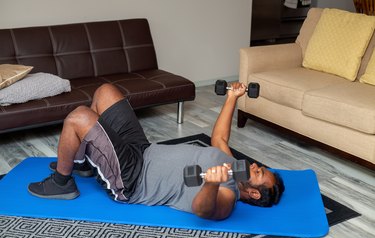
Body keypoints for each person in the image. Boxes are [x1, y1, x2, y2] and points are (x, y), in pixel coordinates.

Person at [28, 82, 284, 220]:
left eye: (259, 172)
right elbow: (219, 136)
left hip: (132, 179)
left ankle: (62, 183)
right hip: (142, 150)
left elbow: (204, 211)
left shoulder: (227, 194)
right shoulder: (230, 163)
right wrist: (232, 98)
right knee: (106, 91)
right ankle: (86, 162)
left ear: (252, 192)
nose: (254, 165)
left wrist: (212, 185)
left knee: (79, 118)